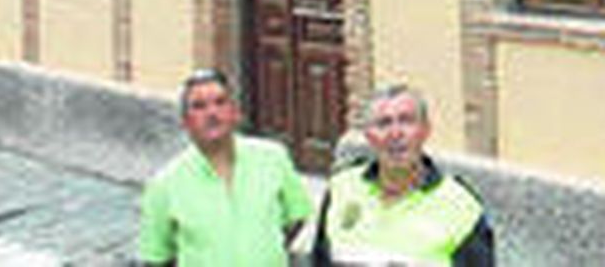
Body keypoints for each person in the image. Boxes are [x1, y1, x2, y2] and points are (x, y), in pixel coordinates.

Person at [137, 67, 313, 267]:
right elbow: (156, 258)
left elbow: (297, 217)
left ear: (234, 112)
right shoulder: (164, 185)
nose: (212, 113)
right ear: (186, 121)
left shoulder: (273, 158)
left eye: (220, 102)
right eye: (199, 106)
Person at [305, 84, 494, 265]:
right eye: (383, 123)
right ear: (368, 135)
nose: (395, 133)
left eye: (406, 121)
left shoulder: (461, 205)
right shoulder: (342, 188)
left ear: (425, 130)